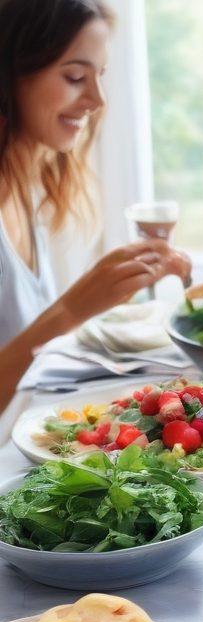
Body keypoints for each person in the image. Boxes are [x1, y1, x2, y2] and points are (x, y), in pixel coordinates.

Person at [0, 0, 191, 412]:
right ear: (10, 74)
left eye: (99, 75)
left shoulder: (26, 185)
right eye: (74, 76)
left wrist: (111, 289)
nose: (97, 99)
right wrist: (74, 307)